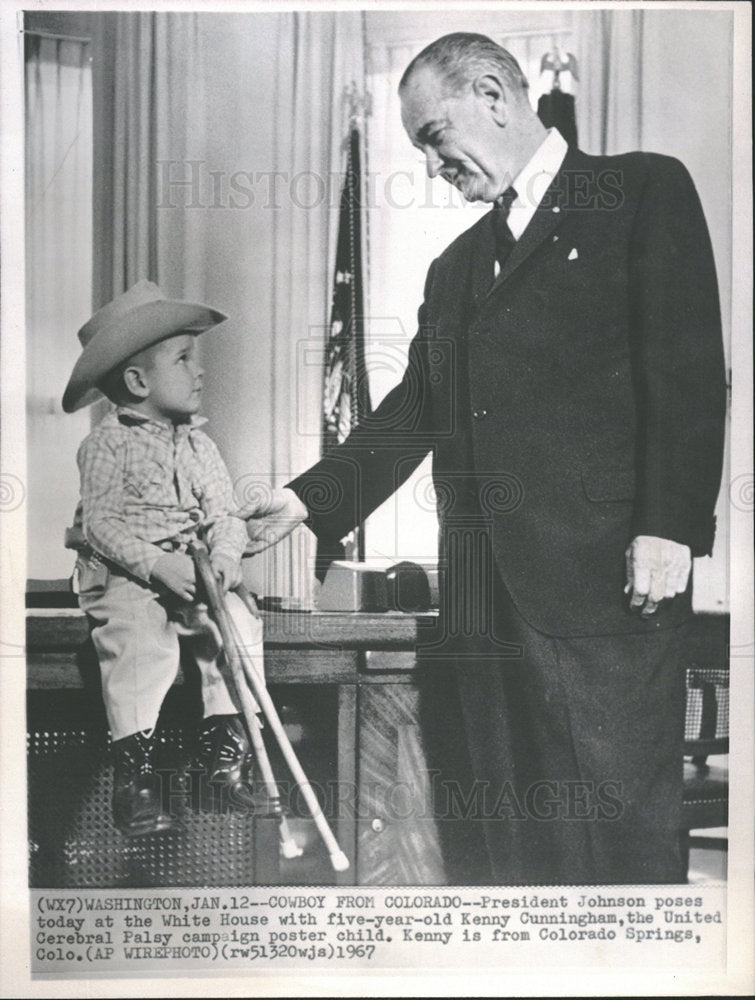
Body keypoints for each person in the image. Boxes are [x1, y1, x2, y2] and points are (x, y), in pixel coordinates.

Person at [241, 33, 726, 884]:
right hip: (478, 607)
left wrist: (669, 527)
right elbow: (415, 409)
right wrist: (305, 501)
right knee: (504, 852)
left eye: (433, 135)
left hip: (605, 596)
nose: (432, 166)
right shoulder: (454, 267)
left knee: (614, 841)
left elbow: (685, 371)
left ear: (494, 95)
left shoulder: (640, 191)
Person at [63, 279, 263, 837]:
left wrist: (224, 558)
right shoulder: (108, 443)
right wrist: (158, 567)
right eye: (183, 359)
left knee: (239, 629)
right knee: (139, 640)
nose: (198, 372)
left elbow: (224, 515)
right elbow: (101, 524)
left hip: (195, 570)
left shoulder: (201, 444)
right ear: (136, 381)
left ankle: (223, 760)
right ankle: (138, 778)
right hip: (130, 575)